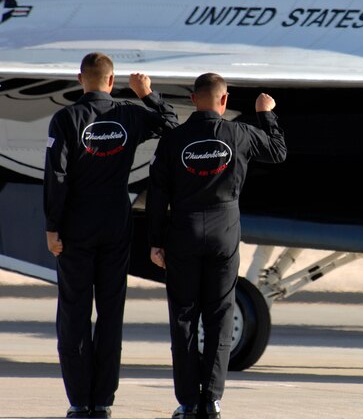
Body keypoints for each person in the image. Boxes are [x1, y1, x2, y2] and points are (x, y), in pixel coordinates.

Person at [44, 52, 179, 419]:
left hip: (76, 228)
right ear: (111, 80)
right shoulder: (130, 114)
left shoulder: (66, 118)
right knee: (110, 312)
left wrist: (52, 226)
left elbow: (56, 177)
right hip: (115, 226)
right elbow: (171, 123)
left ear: (79, 78)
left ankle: (79, 400)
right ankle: (103, 399)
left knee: (73, 312)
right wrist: (146, 93)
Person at [147, 73, 286, 419]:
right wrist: (265, 113)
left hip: (183, 232)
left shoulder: (174, 140)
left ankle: (187, 401)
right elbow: (278, 152)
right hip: (224, 234)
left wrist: (155, 242)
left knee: (183, 317)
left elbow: (157, 197)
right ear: (224, 101)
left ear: (194, 99)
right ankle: (212, 399)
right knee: (219, 317)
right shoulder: (239, 134)